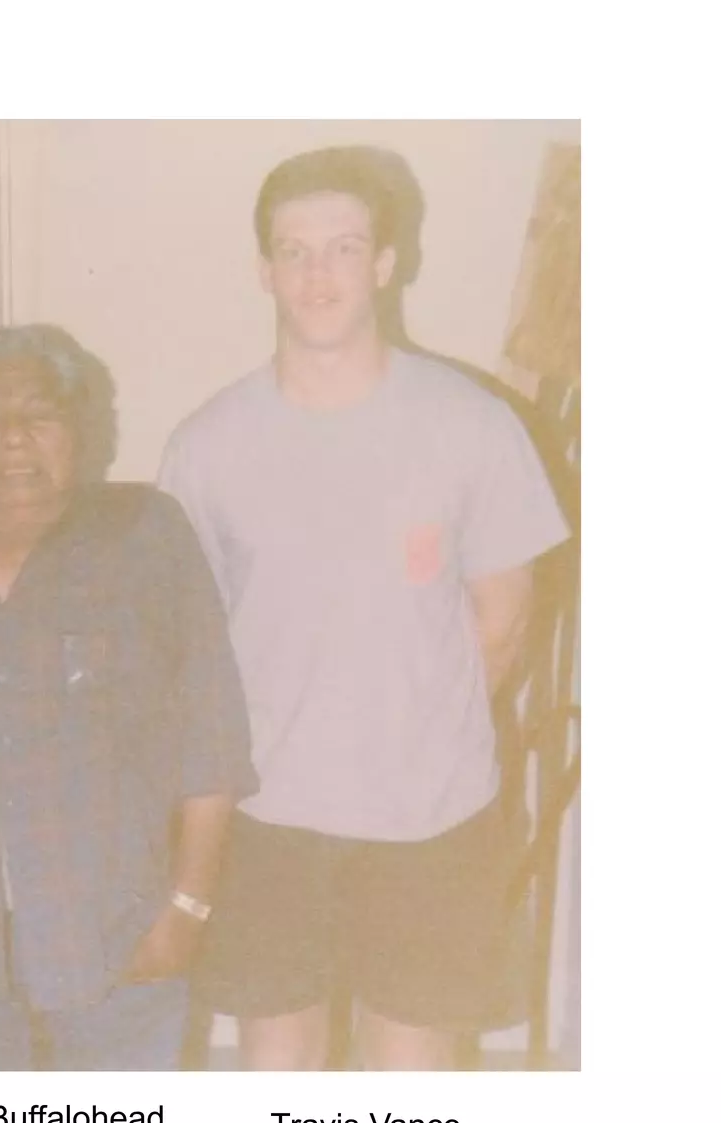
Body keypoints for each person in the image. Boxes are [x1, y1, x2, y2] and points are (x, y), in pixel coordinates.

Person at [158, 147, 569, 1071]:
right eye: (294, 251)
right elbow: (194, 644)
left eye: (344, 247)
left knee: (411, 1087)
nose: (318, 274)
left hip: (432, 818)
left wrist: (413, 731)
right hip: (269, 818)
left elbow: (504, 620)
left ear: (386, 263)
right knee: (277, 1067)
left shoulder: (474, 425)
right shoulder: (207, 446)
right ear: (264, 269)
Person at [0, 324, 254, 1070]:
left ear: (83, 431)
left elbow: (211, 739)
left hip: (114, 928)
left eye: (40, 414)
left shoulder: (147, 535)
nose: (16, 438)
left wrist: (187, 908)